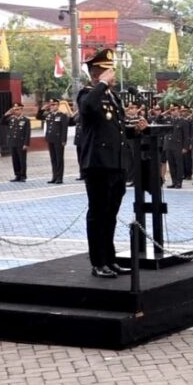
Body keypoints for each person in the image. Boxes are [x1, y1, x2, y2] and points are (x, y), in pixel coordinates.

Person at [76, 48, 146, 279]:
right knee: (98, 213)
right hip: (97, 164)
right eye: (109, 71)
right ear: (98, 73)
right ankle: (98, 262)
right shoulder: (87, 94)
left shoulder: (112, 97)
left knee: (111, 213)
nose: (114, 75)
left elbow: (114, 130)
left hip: (115, 163)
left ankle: (110, 259)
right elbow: (87, 110)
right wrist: (102, 84)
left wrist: (134, 130)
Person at [42, 98, 71, 184]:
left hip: (58, 140)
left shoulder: (62, 115)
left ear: (58, 105)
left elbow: (64, 129)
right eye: (51, 104)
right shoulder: (49, 115)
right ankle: (54, 177)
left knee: (59, 159)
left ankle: (59, 177)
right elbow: (38, 116)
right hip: (50, 139)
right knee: (53, 159)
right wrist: (43, 108)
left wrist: (63, 140)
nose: (52, 106)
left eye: (54, 104)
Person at [0, 102, 31, 182]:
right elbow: (1, 122)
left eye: (17, 109)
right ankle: (17, 175)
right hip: (12, 142)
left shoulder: (25, 120)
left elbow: (27, 133)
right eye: (14, 109)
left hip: (21, 143)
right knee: (15, 160)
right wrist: (6, 114)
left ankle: (23, 176)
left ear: (21, 109)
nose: (15, 111)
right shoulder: (11, 119)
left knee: (22, 160)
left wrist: (26, 143)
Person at [162, 104, 190, 189]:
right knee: (171, 165)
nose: (173, 111)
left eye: (175, 109)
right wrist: (167, 111)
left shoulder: (183, 121)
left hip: (178, 146)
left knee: (179, 165)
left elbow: (186, 136)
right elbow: (158, 119)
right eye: (172, 110)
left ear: (179, 111)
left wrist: (185, 147)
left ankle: (179, 182)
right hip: (168, 145)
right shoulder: (168, 120)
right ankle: (174, 181)